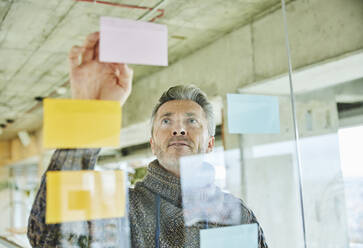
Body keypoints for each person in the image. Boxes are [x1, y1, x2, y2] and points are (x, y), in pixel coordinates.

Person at [27, 32, 268, 248]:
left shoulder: (237, 215)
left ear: (210, 143)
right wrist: (90, 113)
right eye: (166, 121)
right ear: (152, 143)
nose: (179, 130)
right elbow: (46, 238)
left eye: (192, 121)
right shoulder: (121, 207)